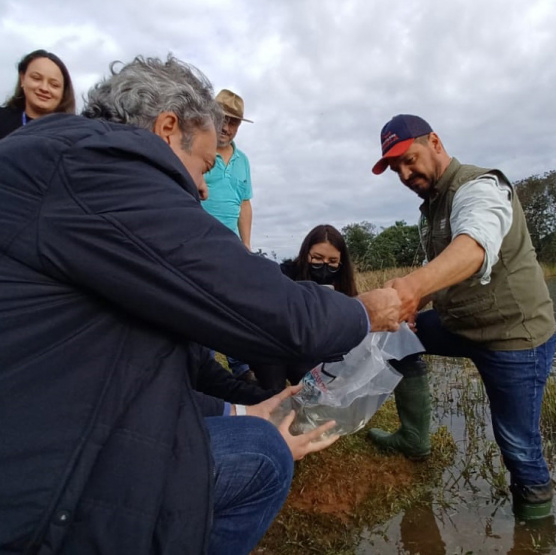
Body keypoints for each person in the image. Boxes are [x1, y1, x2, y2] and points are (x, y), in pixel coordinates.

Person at [0, 54, 401, 554]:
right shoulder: (97, 167)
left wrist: (238, 409)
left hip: (56, 428)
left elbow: (144, 362)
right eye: (205, 166)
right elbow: (268, 311)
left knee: (252, 435)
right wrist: (364, 312)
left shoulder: (68, 166)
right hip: (39, 491)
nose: (204, 187)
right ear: (167, 129)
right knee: (264, 456)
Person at [368, 114, 556, 521]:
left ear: (435, 142)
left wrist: (411, 287)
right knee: (395, 339)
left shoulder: (479, 187)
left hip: (512, 335)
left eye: (409, 159)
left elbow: (473, 248)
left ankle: (535, 525)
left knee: (518, 444)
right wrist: (415, 305)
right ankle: (414, 439)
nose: (405, 174)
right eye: (396, 168)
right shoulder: (432, 206)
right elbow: (443, 269)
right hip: (461, 324)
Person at [250, 224, 426, 391]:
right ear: (305, 254)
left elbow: (357, 322)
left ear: (341, 262)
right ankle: (269, 398)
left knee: (316, 380)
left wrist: (393, 324)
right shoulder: (284, 275)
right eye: (317, 258)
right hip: (280, 344)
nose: (325, 265)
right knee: (272, 377)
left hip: (317, 348)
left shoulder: (343, 284)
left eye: (332, 261)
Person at [202, 89, 254, 249]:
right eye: (222, 119)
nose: (225, 127)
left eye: (233, 123)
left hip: (231, 246)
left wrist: (246, 244)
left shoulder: (243, 160)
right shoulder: (197, 150)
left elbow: (244, 203)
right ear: (211, 117)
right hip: (197, 241)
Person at [0, 49, 76, 140]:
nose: (44, 88)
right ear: (22, 79)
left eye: (54, 85)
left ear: (63, 92)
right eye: (36, 78)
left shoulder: (75, 133)